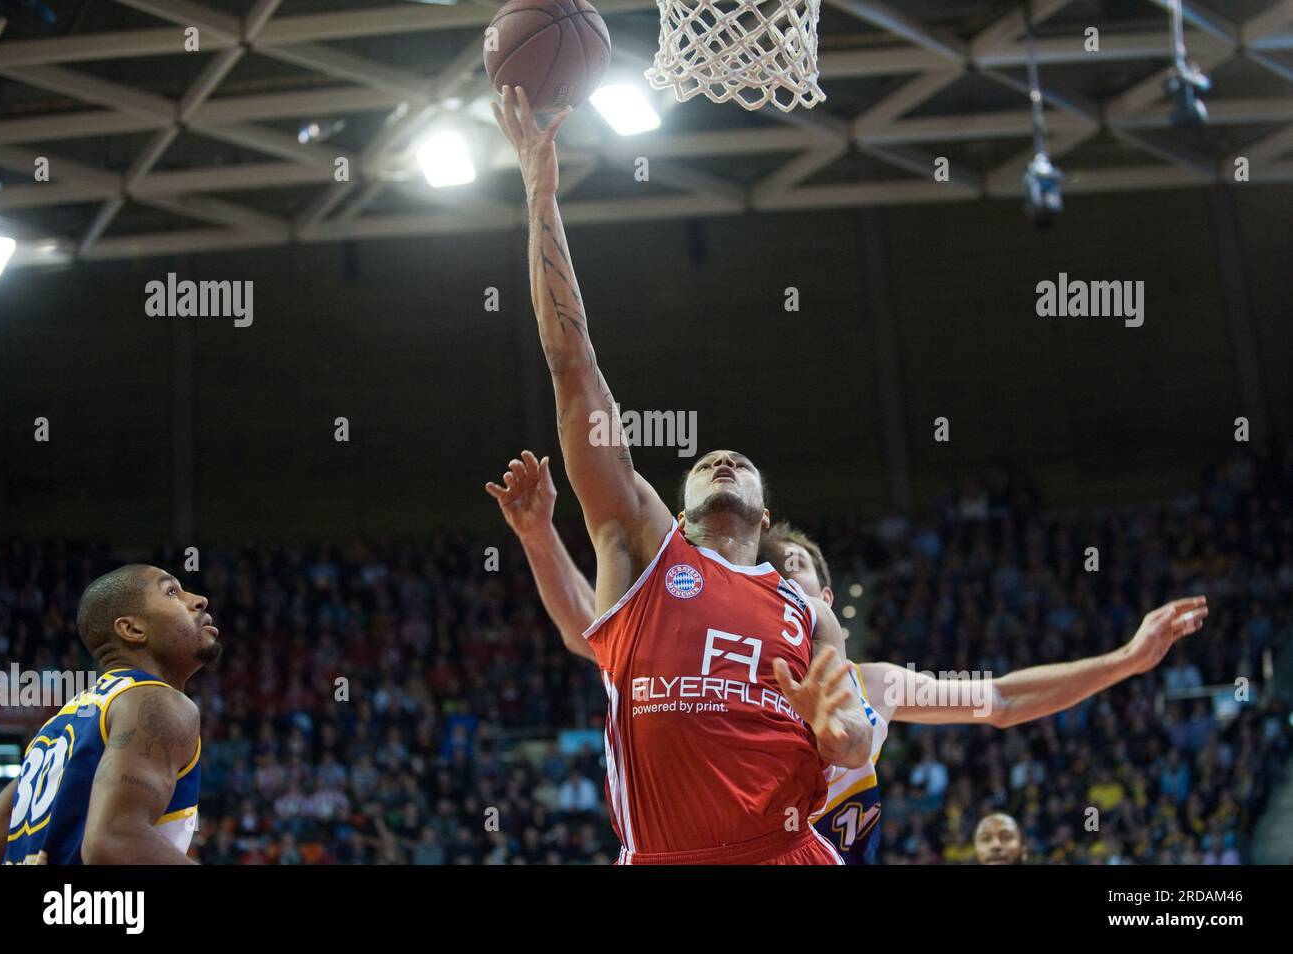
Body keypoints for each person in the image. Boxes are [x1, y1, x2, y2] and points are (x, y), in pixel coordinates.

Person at [490, 87, 875, 864]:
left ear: (766, 516)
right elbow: (572, 363)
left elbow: (855, 734)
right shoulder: (642, 547)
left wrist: (843, 735)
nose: (722, 462)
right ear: (684, 502)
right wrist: (540, 193)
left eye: (739, 464)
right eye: (706, 461)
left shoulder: (804, 609)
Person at [488, 451, 1209, 863]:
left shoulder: (878, 685)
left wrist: (1124, 659)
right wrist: (541, 539)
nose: (780, 579)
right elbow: (594, 633)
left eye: (795, 568)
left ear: (825, 595)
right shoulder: (715, 648)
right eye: (770, 569)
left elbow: (1001, 701)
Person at [0, 565, 221, 865]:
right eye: (171, 592)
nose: (199, 600)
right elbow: (114, 840)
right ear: (132, 629)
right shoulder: (157, 702)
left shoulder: (61, 723)